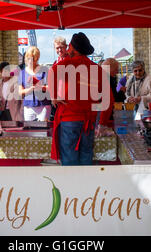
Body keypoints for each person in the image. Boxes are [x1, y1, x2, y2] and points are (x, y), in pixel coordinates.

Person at [48, 32, 114, 166]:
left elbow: (51, 72)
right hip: (88, 121)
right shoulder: (97, 69)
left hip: (69, 119)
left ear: (72, 48)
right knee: (86, 157)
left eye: (69, 47)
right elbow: (108, 100)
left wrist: (54, 96)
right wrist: (101, 122)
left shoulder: (67, 64)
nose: (67, 50)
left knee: (69, 160)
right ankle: (85, 185)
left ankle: (72, 186)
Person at [18, 46, 51, 121]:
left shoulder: (44, 70)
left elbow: (51, 88)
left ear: (37, 59)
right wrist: (30, 89)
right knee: (29, 131)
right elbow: (20, 92)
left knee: (43, 130)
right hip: (28, 107)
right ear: (26, 58)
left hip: (43, 106)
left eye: (34, 60)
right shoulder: (22, 73)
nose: (31, 62)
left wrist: (41, 87)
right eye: (29, 59)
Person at [50, 36, 69, 121]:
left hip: (67, 100)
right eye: (57, 48)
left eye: (61, 47)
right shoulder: (56, 62)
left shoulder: (71, 60)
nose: (60, 50)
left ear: (66, 47)